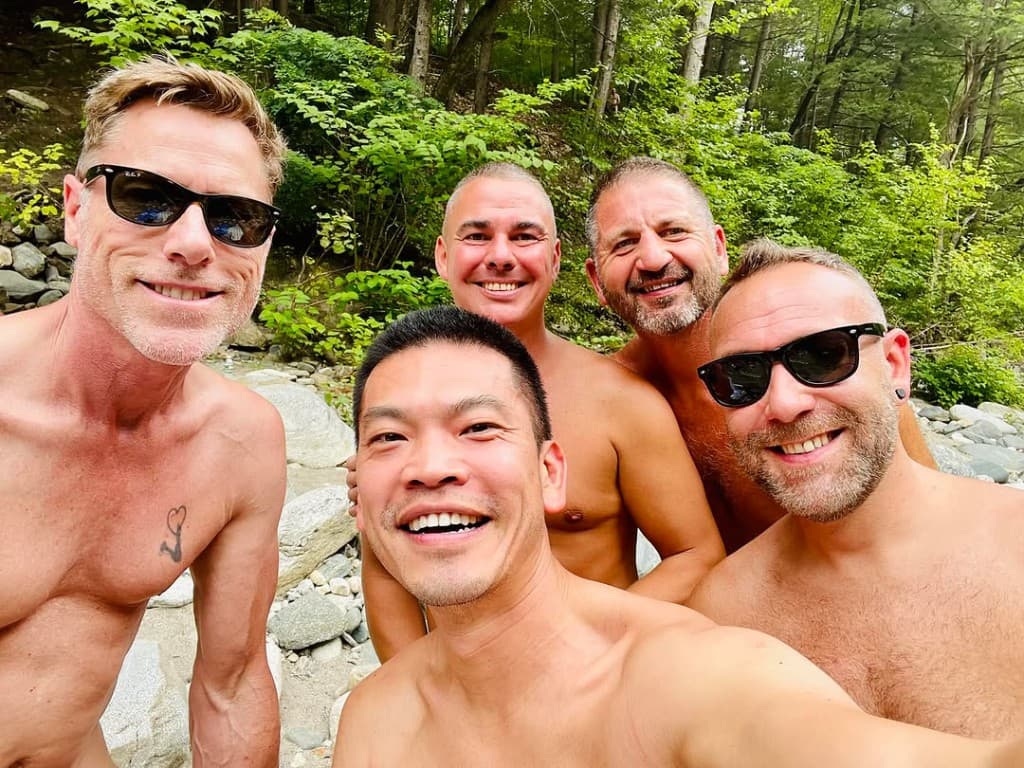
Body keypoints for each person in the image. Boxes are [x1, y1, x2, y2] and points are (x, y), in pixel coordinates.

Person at [333, 305, 1024, 767]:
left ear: (550, 474)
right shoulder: (373, 720)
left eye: (479, 428)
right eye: (389, 438)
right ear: (360, 495)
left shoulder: (687, 676)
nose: (430, 467)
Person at [0, 56, 286, 767]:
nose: (192, 244)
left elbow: (232, 683)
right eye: (145, 198)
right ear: (75, 209)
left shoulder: (242, 443)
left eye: (234, 218)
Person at [357, 163, 724, 661]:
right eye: (477, 236)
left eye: (524, 237)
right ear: (443, 255)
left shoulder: (620, 400)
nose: (500, 256)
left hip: (599, 673)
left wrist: (585, 655)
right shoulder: (396, 398)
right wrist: (420, 682)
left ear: (554, 259)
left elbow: (696, 555)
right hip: (461, 676)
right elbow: (383, 559)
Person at [685, 240, 1024, 739]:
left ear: (895, 364)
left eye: (823, 355)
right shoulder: (722, 618)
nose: (784, 403)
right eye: (741, 376)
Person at [585, 156, 937, 552]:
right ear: (596, 281)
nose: (653, 259)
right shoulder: (607, 401)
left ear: (719, 249)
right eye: (624, 244)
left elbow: (933, 510)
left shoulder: (829, 362)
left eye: (675, 232)